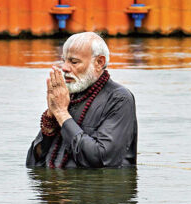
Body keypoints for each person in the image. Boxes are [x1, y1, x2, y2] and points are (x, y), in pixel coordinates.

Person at [26, 32, 137, 168]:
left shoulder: (119, 99)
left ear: (99, 62)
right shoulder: (69, 96)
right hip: (56, 186)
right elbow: (32, 163)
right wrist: (51, 116)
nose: (64, 68)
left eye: (74, 62)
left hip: (95, 188)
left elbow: (102, 159)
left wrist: (62, 114)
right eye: (64, 61)